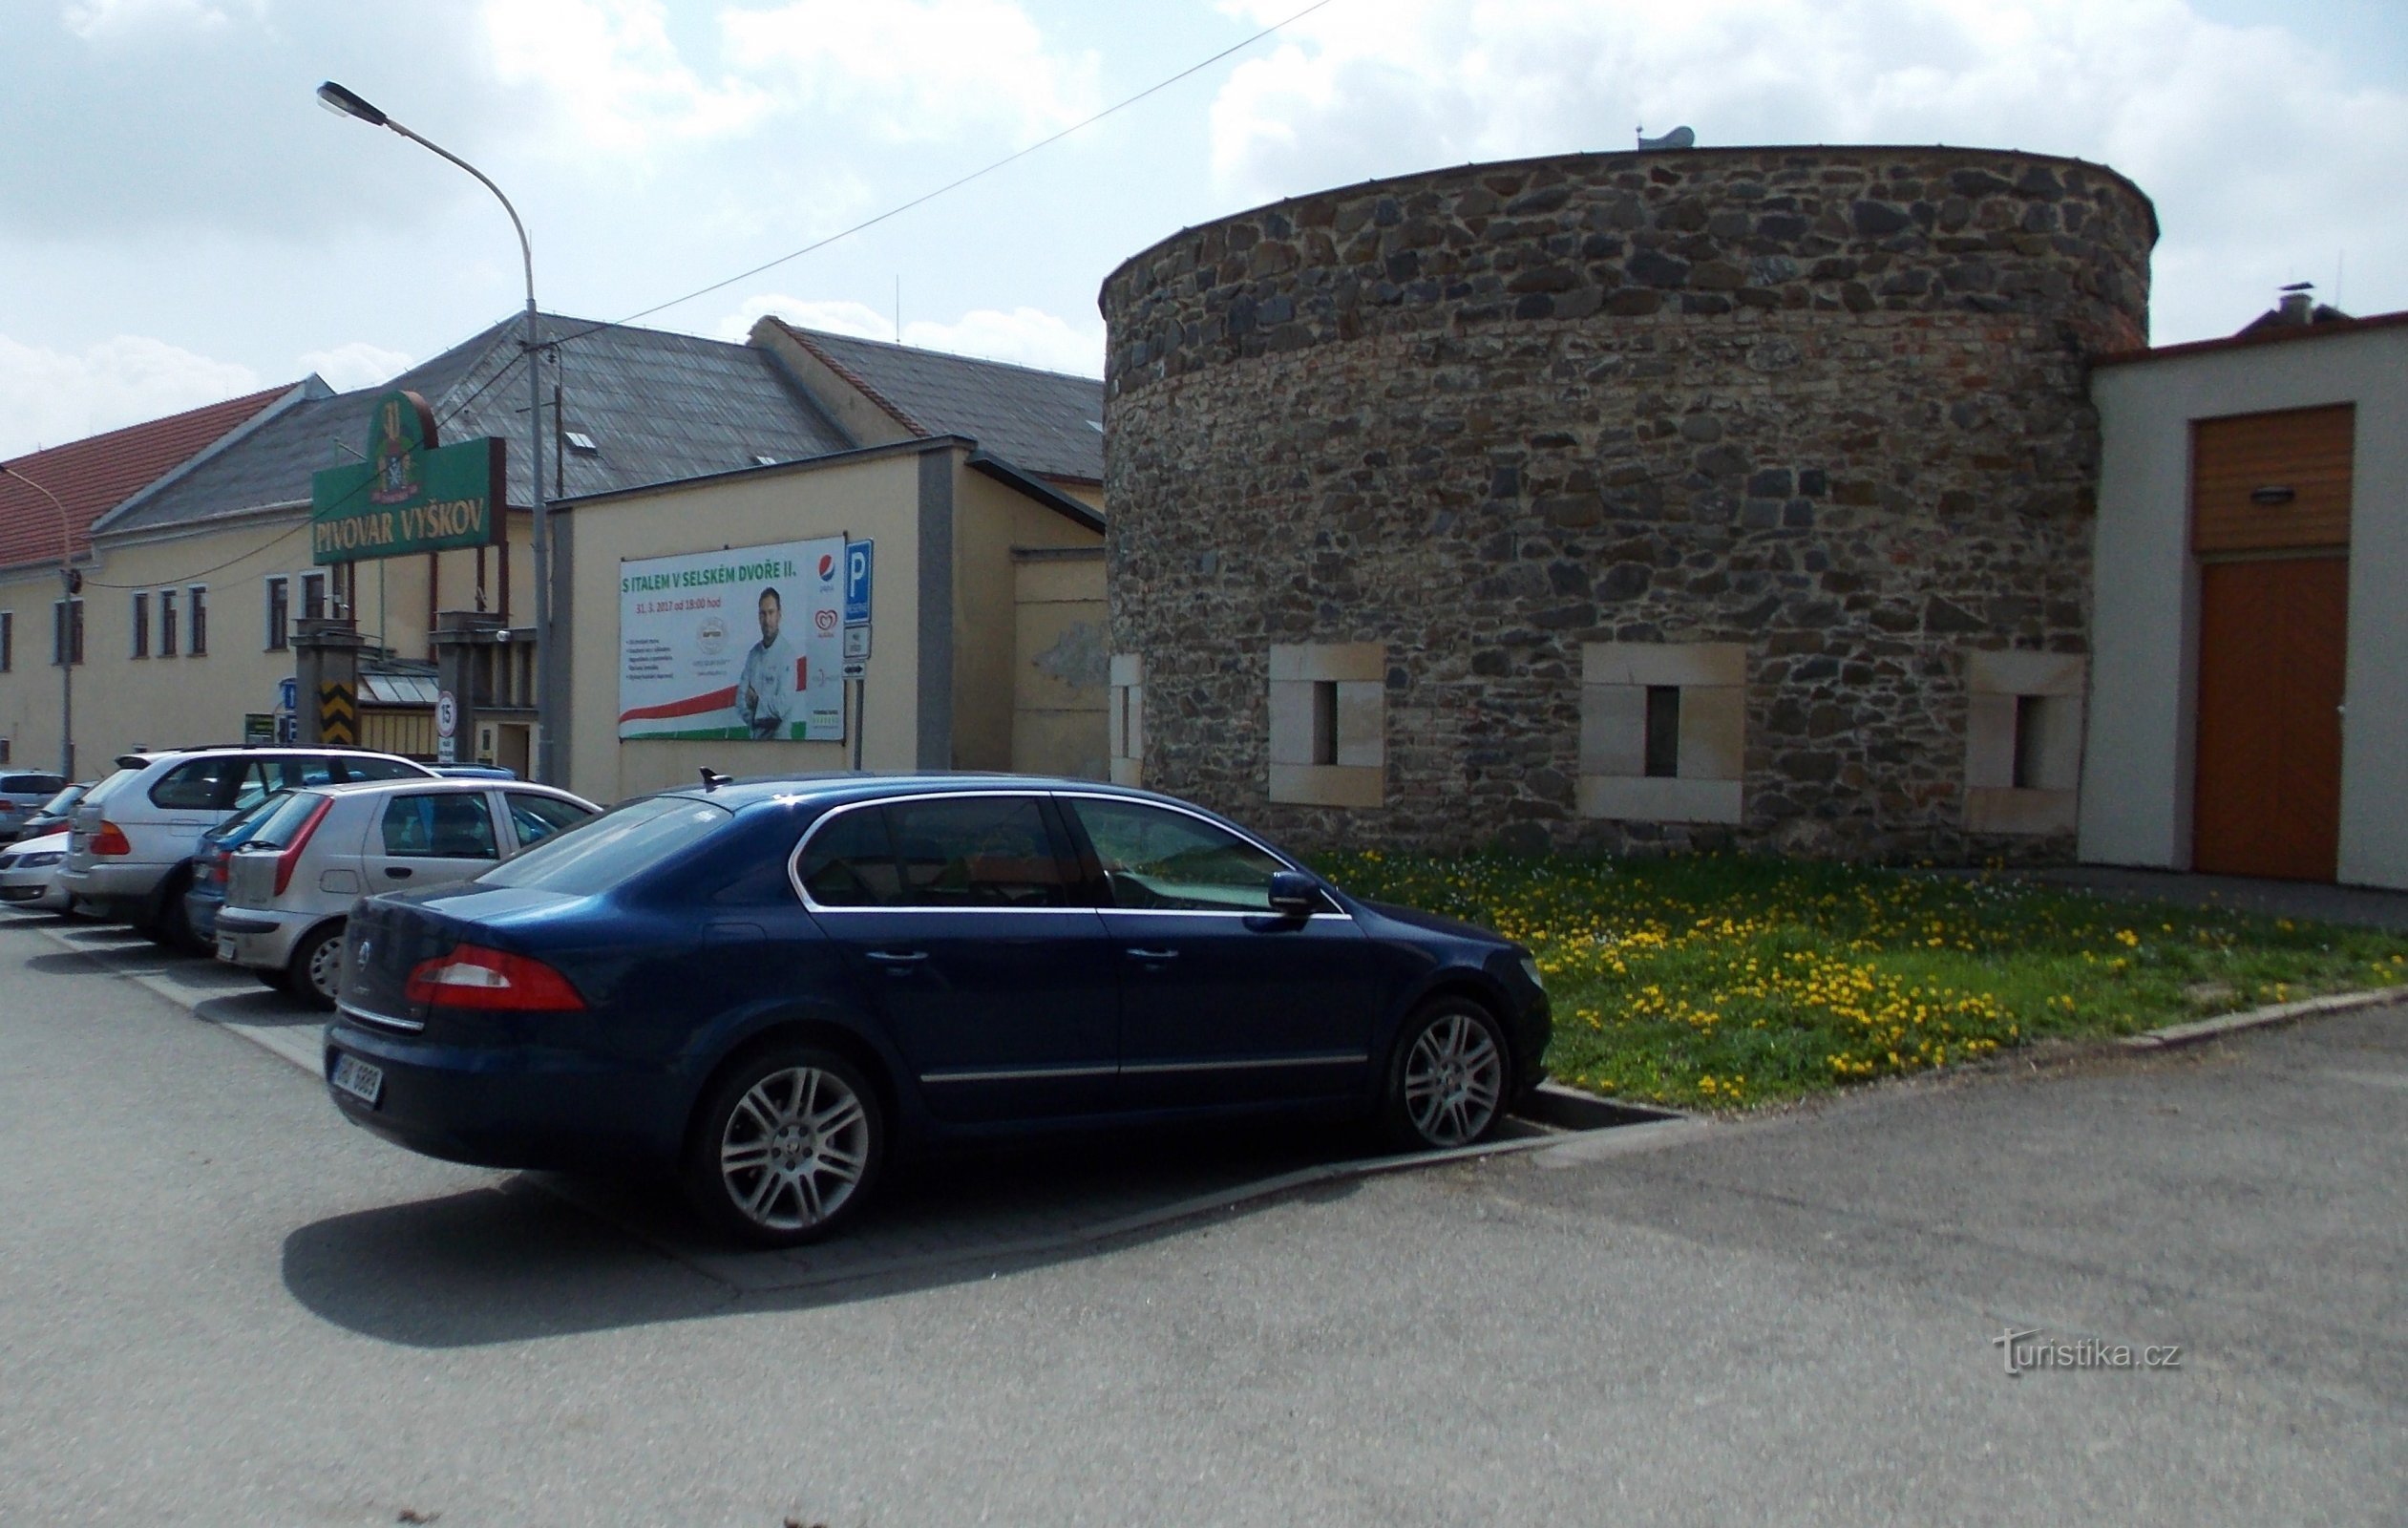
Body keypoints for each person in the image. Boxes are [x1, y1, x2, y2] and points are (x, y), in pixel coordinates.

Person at [735, 587, 794, 739]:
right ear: (758, 617)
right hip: (756, 742)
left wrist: (756, 702)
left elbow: (783, 705)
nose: (767, 620)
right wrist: (761, 718)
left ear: (779, 615)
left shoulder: (787, 654)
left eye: (771, 612)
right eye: (763, 614)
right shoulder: (753, 655)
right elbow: (741, 702)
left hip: (780, 745)